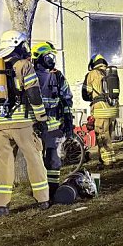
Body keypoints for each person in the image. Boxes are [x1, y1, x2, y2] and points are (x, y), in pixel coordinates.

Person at [0, 31, 50, 216]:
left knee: (5, 163)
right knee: (34, 159)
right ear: (17, 45)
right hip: (22, 122)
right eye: (23, 44)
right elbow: (33, 94)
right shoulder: (24, 66)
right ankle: (43, 199)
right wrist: (41, 118)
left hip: (1, 124)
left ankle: (0, 205)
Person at [33, 41, 74, 196]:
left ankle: (53, 190)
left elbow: (67, 98)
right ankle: (40, 193)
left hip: (54, 128)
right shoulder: (29, 76)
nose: (51, 59)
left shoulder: (57, 76)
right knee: (36, 162)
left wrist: (68, 120)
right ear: (39, 57)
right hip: (34, 128)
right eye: (48, 56)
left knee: (54, 161)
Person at [83, 54, 118, 167]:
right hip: (113, 109)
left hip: (101, 109)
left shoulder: (92, 74)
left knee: (102, 136)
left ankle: (107, 162)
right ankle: (110, 159)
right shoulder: (110, 73)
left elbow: (86, 94)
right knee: (108, 135)